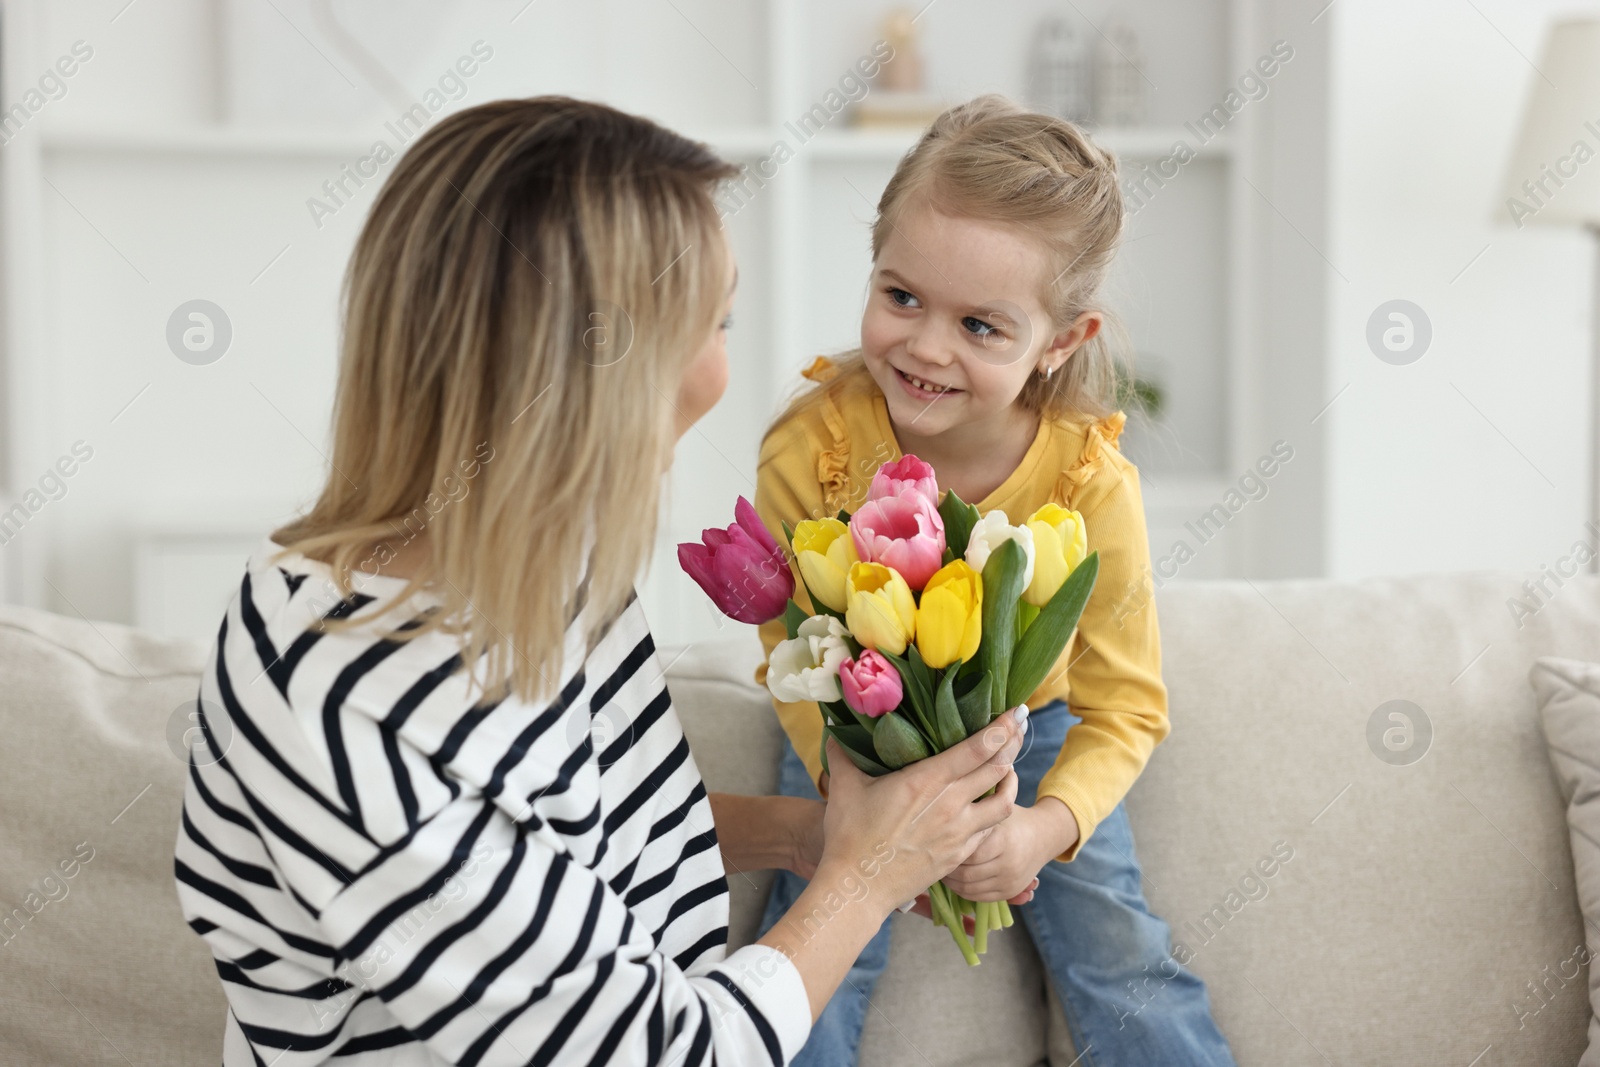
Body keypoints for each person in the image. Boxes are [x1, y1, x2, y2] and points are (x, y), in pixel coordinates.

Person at [172, 95, 1028, 1067]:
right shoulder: (332, 697)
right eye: (714, 322)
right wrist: (866, 874)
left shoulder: (551, 566)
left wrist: (812, 835)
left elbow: (569, 839)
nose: (719, 370)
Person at [752, 94, 1238, 1065]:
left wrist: (1041, 829)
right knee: (811, 939)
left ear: (1061, 339)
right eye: (900, 297)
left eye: (979, 324)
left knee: (1116, 941)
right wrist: (847, 796)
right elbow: (789, 647)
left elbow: (1126, 706)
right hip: (855, 733)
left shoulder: (1089, 484)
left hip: (1032, 732)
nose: (926, 347)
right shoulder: (814, 446)